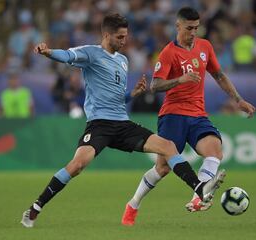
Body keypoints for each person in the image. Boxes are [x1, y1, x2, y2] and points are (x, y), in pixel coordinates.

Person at [20, 13, 221, 228]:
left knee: (168, 146)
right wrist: (48, 52)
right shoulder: (91, 53)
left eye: (125, 36)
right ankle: (36, 207)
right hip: (99, 125)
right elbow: (67, 56)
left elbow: (115, 98)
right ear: (107, 35)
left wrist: (131, 95)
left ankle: (199, 189)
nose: (124, 41)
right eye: (120, 37)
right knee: (77, 165)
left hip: (122, 124)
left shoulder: (123, 61)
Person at [121, 7, 256, 226]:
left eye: (196, 27)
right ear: (178, 26)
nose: (193, 32)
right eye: (189, 28)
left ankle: (197, 198)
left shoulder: (205, 47)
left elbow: (219, 75)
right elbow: (155, 86)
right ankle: (133, 204)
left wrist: (238, 100)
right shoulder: (168, 53)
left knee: (215, 151)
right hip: (172, 115)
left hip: (198, 114)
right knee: (162, 168)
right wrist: (181, 79)